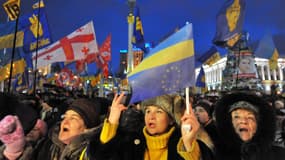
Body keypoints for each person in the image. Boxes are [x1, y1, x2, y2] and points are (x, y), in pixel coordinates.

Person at [87, 93, 214, 160]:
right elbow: (101, 156)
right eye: (148, 111)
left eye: (158, 111)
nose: (151, 117)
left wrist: (188, 144)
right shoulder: (130, 142)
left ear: (171, 120)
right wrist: (112, 123)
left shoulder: (181, 145)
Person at [213, 91, 285, 160]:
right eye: (237, 117)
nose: (243, 121)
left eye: (250, 117)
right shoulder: (218, 155)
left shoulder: (279, 154)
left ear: (259, 124)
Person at [32, 98, 104, 160]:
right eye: (65, 117)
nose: (65, 122)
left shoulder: (91, 153)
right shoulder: (47, 146)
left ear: (87, 129)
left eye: (73, 118)